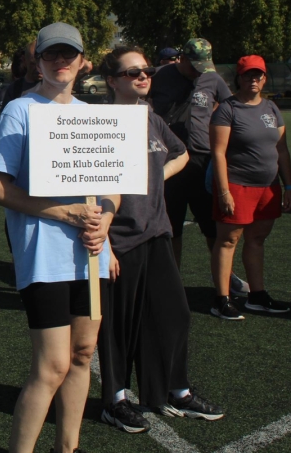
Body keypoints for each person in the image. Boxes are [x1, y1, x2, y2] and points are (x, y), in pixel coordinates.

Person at [0, 22, 117, 453]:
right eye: (52, 54)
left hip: (91, 253)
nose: (61, 61)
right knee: (52, 365)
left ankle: (68, 447)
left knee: (82, 354)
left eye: (69, 54)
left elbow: (113, 185)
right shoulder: (20, 110)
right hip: (44, 255)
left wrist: (105, 225)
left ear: (83, 61)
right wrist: (65, 212)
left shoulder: (95, 114)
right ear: (37, 60)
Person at [96, 46, 224, 434]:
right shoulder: (98, 122)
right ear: (112, 80)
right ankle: (115, 400)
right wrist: (103, 244)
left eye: (147, 70)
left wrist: (153, 179)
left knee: (174, 314)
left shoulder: (150, 117)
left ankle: (174, 389)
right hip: (119, 238)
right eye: (132, 72)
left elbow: (181, 153)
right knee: (118, 326)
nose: (143, 76)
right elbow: (83, 187)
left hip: (157, 231)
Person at [209, 55, 291, 320]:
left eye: (258, 75)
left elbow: (281, 149)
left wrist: (288, 186)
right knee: (228, 241)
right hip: (236, 185)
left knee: (257, 239)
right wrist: (224, 191)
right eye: (248, 75)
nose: (253, 79)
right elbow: (218, 153)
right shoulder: (227, 108)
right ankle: (221, 299)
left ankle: (257, 296)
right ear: (239, 78)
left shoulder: (271, 108)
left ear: (264, 78)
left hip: (268, 187)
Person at [147, 38, 233, 271]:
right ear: (182, 58)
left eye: (202, 67)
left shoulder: (212, 78)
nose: (198, 73)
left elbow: (231, 108)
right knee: (172, 227)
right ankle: (174, 281)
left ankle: (225, 279)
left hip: (202, 162)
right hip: (169, 161)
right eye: (194, 66)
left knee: (211, 225)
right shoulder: (160, 75)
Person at [0, 41, 40, 143]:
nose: (38, 69)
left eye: (41, 63)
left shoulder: (55, 89)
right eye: (33, 64)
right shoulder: (9, 92)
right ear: (24, 60)